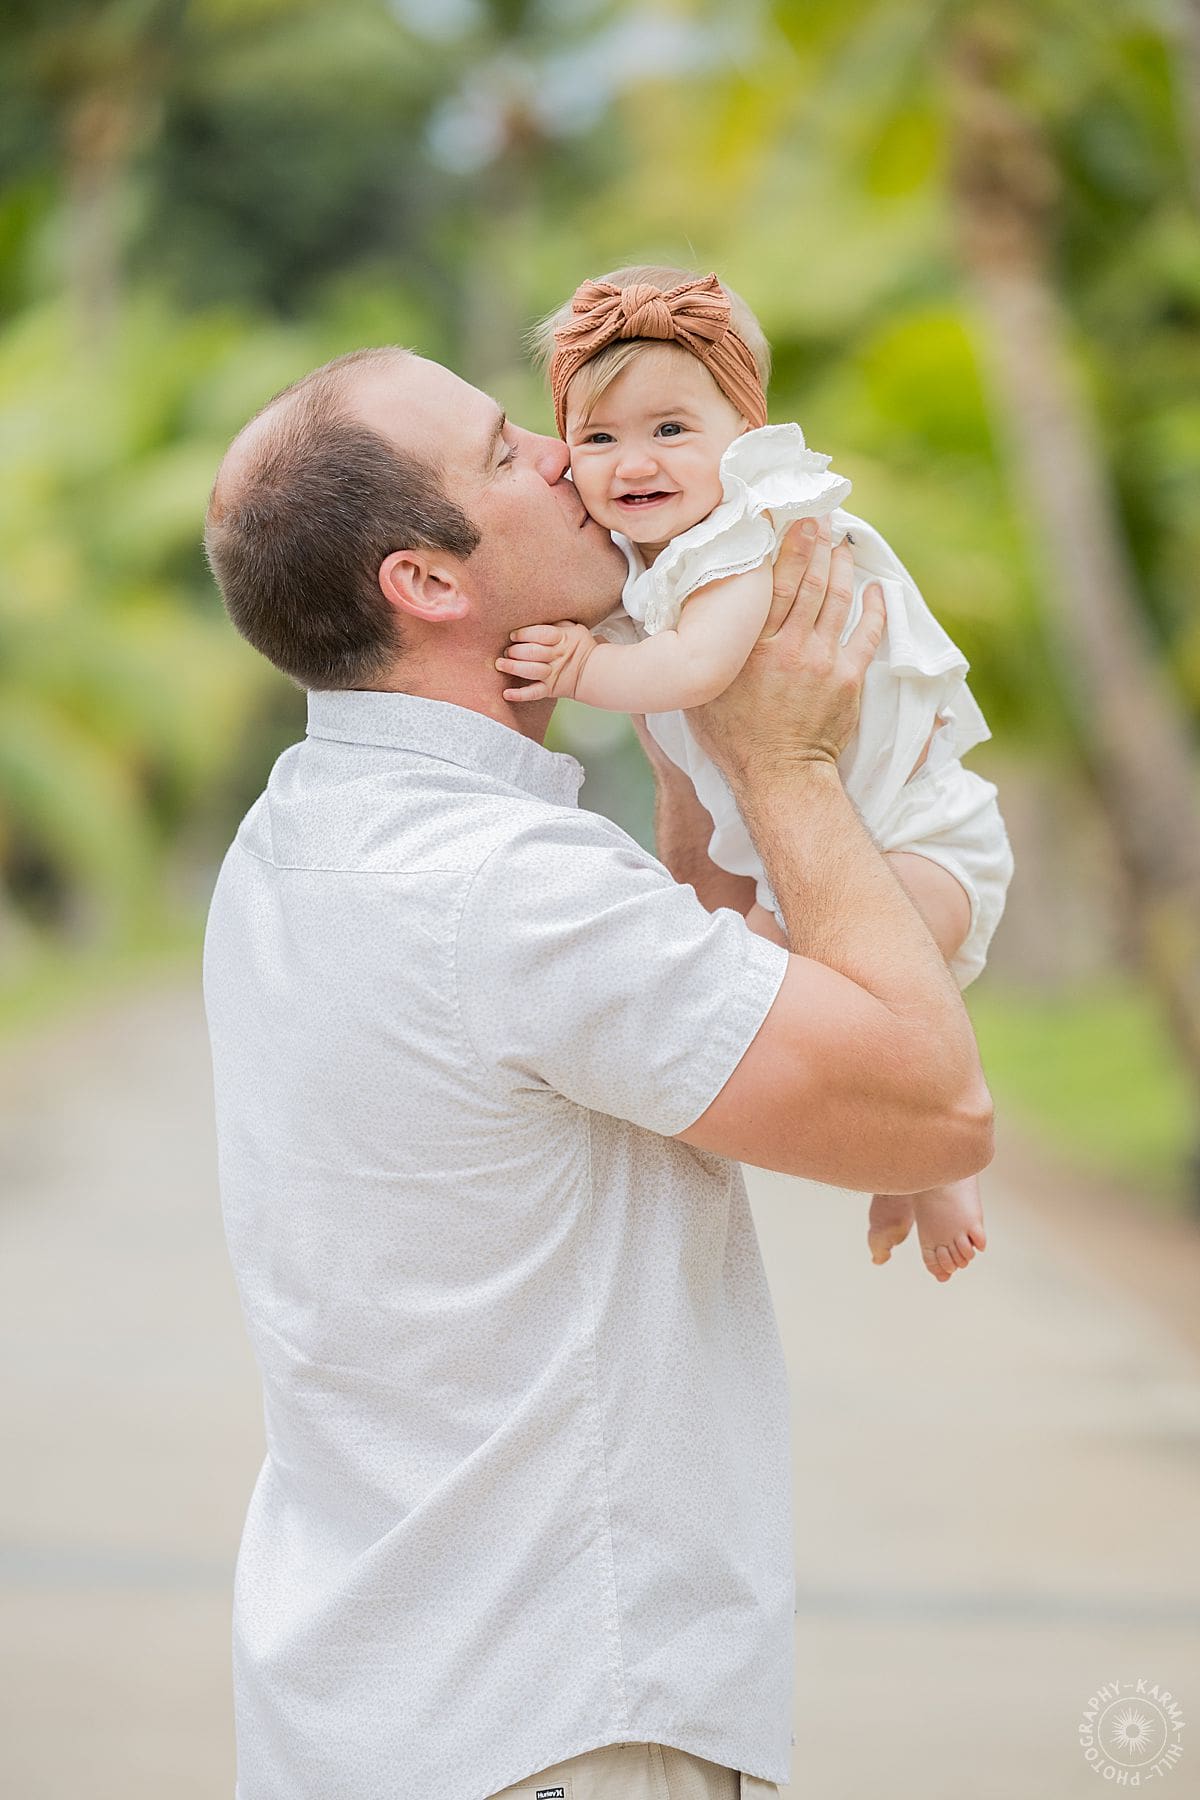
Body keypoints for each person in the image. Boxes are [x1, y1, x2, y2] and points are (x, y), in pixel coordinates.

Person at [201, 342, 994, 1800]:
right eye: (505, 455)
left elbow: (706, 983)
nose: (569, 455)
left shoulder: (299, 838)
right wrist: (797, 769)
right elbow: (931, 1102)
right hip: (562, 1718)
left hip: (368, 1709)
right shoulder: (505, 890)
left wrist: (696, 755)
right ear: (428, 584)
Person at [498, 265, 1014, 1283]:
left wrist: (580, 667)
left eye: (670, 431)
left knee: (791, 990)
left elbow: (697, 667)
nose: (631, 462)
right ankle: (916, 1157)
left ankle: (930, 1154)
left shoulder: (743, 541)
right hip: (841, 851)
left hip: (919, 842)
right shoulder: (660, 558)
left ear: (746, 432)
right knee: (777, 979)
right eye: (597, 438)